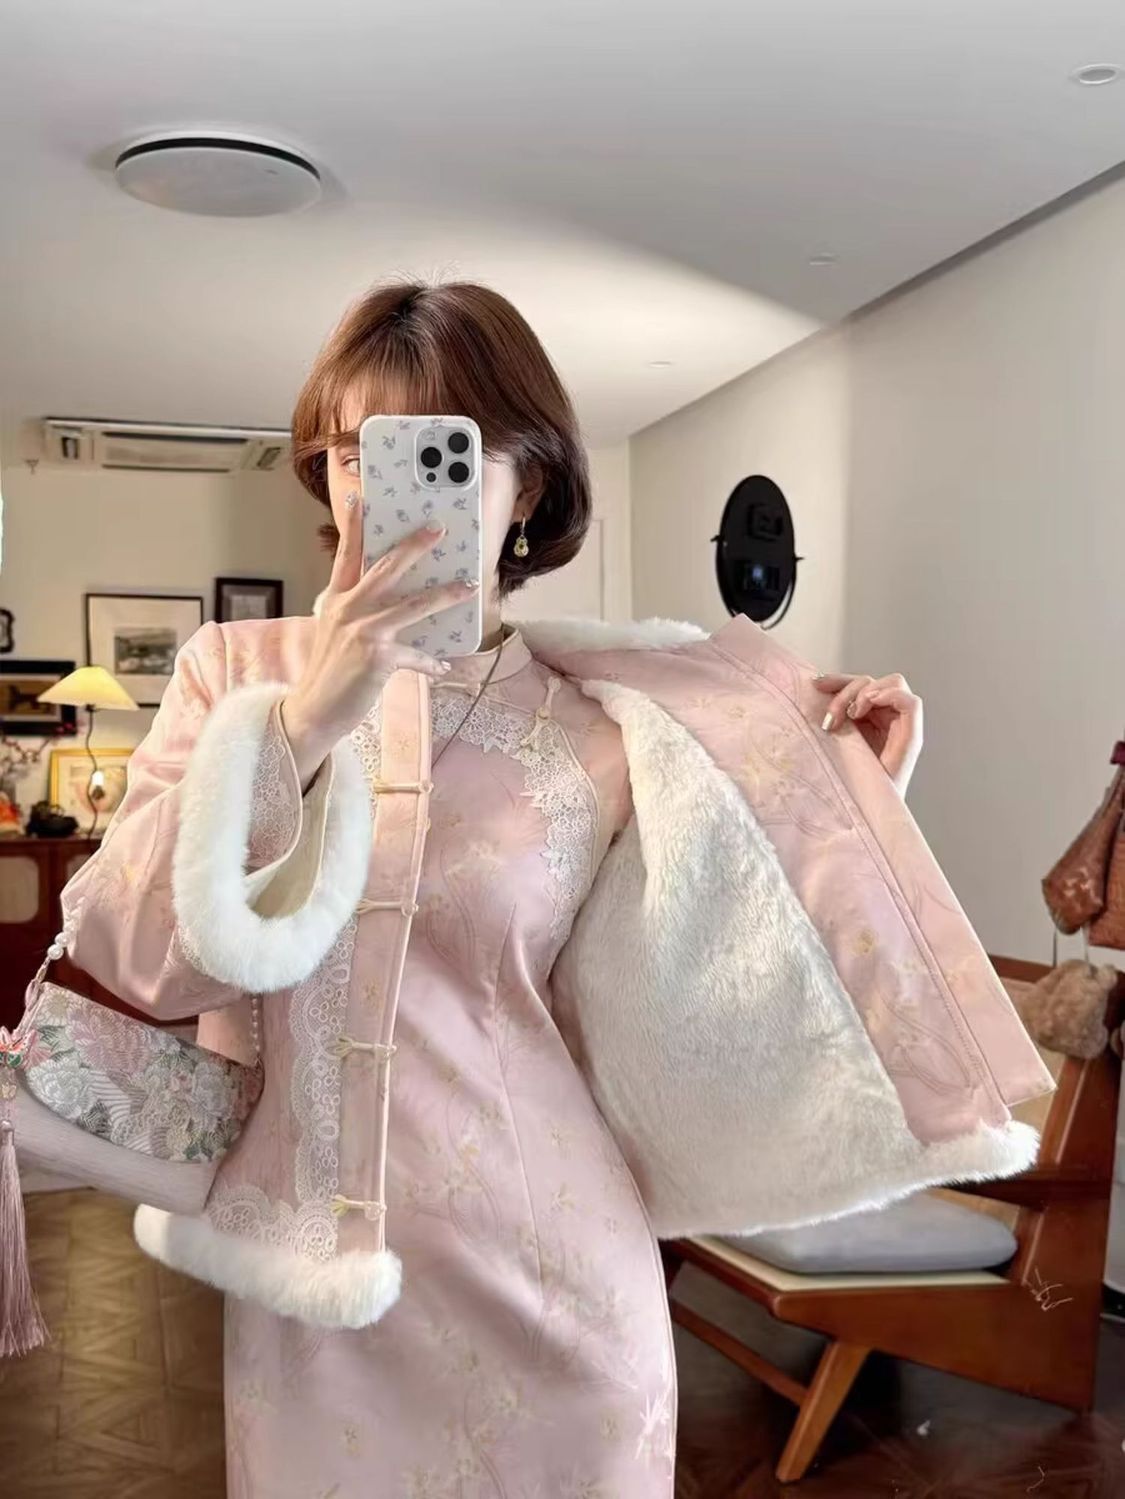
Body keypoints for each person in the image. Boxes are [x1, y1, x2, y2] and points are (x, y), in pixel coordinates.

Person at [58, 281, 943, 1496]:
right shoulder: (236, 675)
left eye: (440, 450)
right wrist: (307, 721)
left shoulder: (606, 715)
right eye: (354, 451)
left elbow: (709, 988)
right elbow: (134, 948)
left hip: (558, 1271)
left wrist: (852, 795)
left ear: (527, 487)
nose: (380, 484)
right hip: (317, 1295)